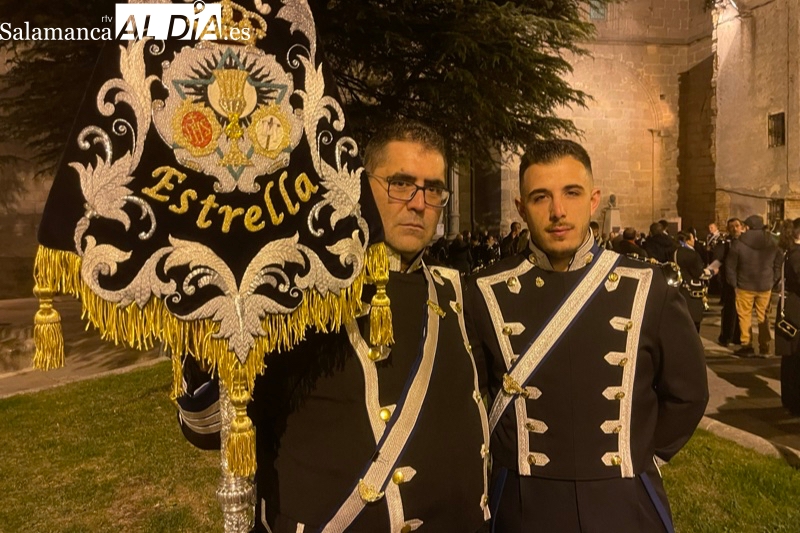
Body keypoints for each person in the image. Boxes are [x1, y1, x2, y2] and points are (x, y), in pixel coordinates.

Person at [177, 120, 491, 532]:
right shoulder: (296, 295)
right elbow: (207, 427)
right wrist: (215, 322)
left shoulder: (459, 296)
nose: (419, 203)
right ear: (360, 185)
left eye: (433, 189)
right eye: (400, 183)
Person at [465, 139, 708, 533]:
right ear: (521, 208)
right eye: (541, 197)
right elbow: (469, 402)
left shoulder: (648, 285)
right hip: (524, 506)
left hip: (623, 502)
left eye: (571, 193)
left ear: (593, 200)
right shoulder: (483, 291)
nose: (558, 211)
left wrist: (632, 456)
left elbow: (689, 392)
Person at [726, 214, 782, 357]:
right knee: (764, 317)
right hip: (765, 284)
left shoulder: (738, 243)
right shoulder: (772, 242)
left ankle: (747, 345)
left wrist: (733, 283)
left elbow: (730, 266)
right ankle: (765, 347)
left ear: (748, 226)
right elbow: (779, 262)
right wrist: (773, 279)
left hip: (744, 284)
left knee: (744, 316)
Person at [776, 218, 800, 415]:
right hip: (796, 311)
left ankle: (791, 400)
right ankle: (794, 402)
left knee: (791, 359)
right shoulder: (797, 255)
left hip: (793, 308)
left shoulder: (792, 252)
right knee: (794, 358)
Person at [707, 218, 743, 347]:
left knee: (742, 311)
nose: (735, 229)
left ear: (742, 227)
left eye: (737, 226)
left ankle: (739, 337)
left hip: (744, 281)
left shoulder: (746, 242)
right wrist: (710, 271)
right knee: (730, 309)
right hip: (729, 281)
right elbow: (718, 258)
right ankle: (727, 336)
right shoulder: (725, 243)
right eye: (732, 227)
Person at [674, 231, 708, 332]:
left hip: (680, 286)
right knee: (694, 319)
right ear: (687, 240)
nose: (694, 240)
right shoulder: (692, 254)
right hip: (693, 288)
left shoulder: (675, 252)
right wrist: (711, 272)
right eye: (693, 238)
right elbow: (699, 273)